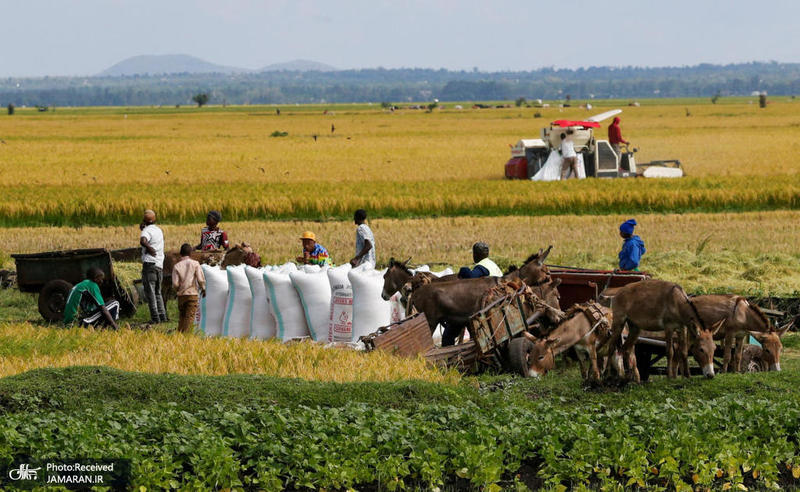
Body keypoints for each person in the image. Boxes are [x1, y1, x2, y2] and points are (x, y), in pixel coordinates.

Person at [140, 209, 167, 323]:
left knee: (150, 293)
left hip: (149, 265)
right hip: (159, 264)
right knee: (157, 292)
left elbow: (143, 241)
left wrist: (149, 248)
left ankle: (155, 318)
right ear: (154, 219)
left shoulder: (146, 231)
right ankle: (162, 316)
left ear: (144, 220)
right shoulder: (158, 230)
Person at [172, 243, 206, 333]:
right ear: (191, 253)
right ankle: (187, 338)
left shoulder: (177, 266)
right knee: (190, 317)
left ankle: (179, 335)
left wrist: (178, 290)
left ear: (180, 253)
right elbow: (200, 279)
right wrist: (203, 288)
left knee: (182, 317)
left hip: (181, 295)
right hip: (192, 294)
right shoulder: (195, 264)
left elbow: (175, 284)